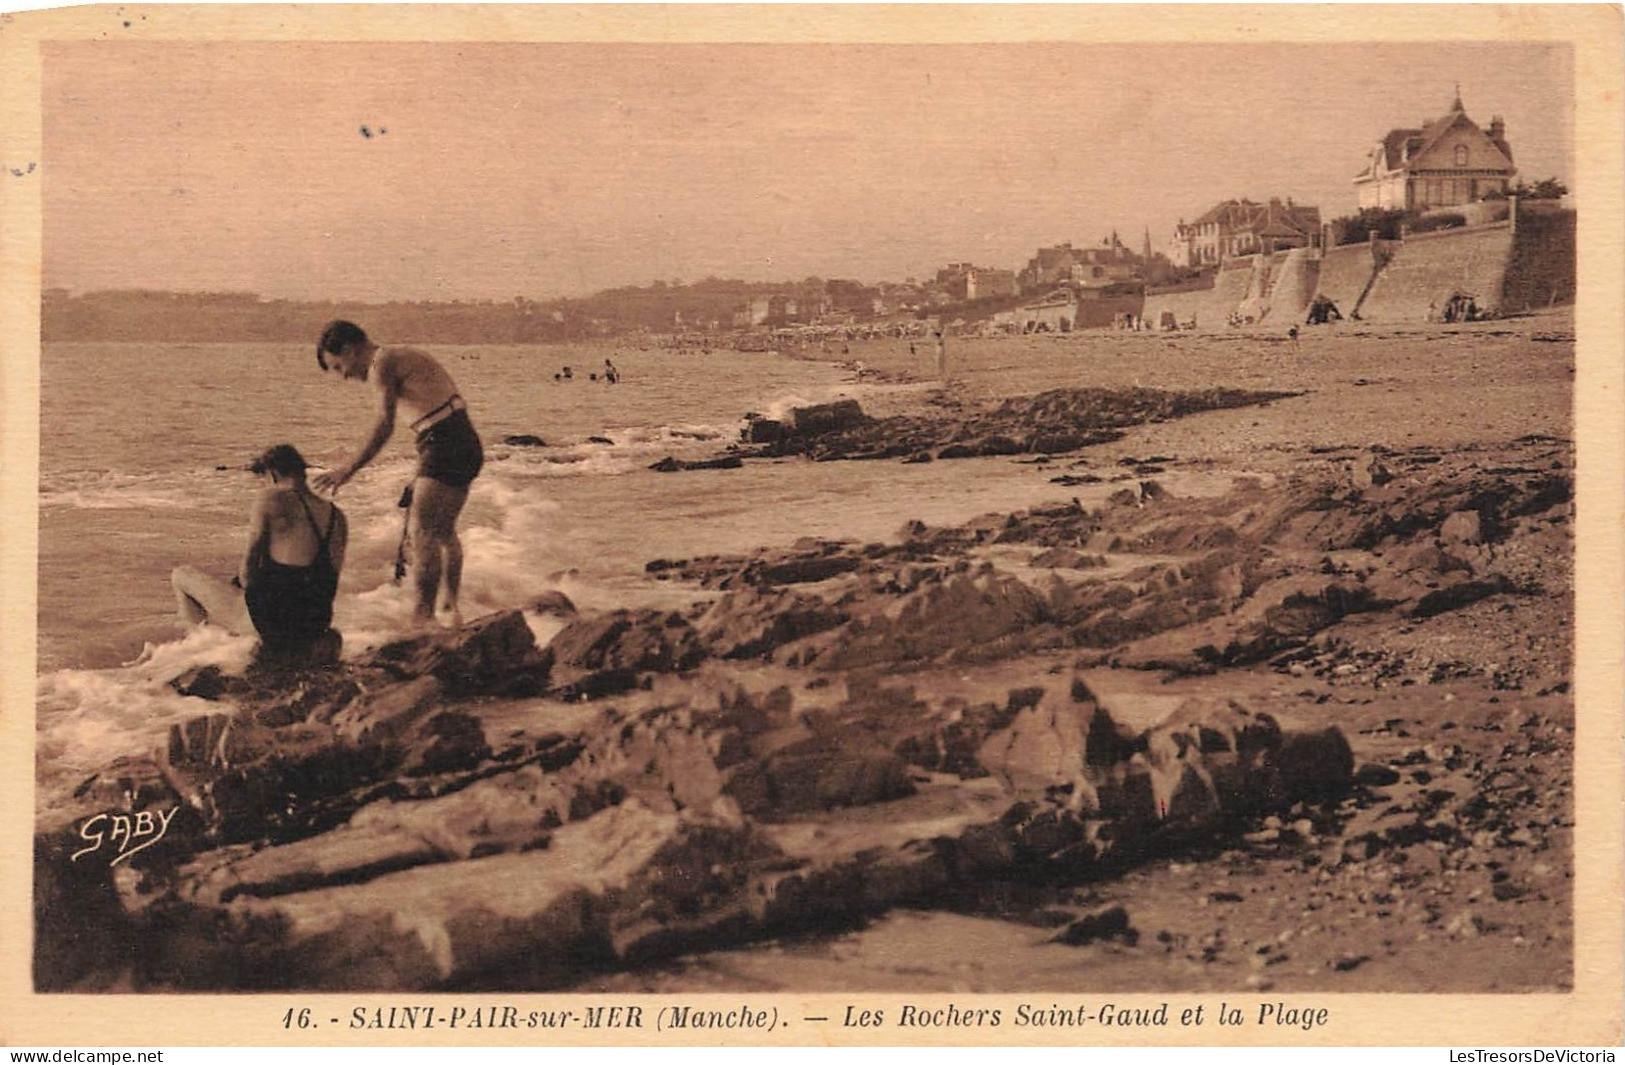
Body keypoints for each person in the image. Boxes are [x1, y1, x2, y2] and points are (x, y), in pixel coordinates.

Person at [312, 320, 483, 629]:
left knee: (422, 534)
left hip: (444, 443)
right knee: (442, 531)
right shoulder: (400, 356)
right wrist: (420, 473)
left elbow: (384, 424)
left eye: (338, 367)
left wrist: (348, 469)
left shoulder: (382, 362)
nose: (345, 376)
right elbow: (435, 413)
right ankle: (451, 609)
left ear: (349, 350)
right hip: (461, 440)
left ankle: (422, 619)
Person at [172, 444, 348, 662]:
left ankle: (200, 652)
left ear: (273, 474)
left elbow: (248, 569)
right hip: (314, 625)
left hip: (274, 627)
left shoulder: (271, 498)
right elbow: (327, 580)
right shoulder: (338, 517)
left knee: (182, 575)